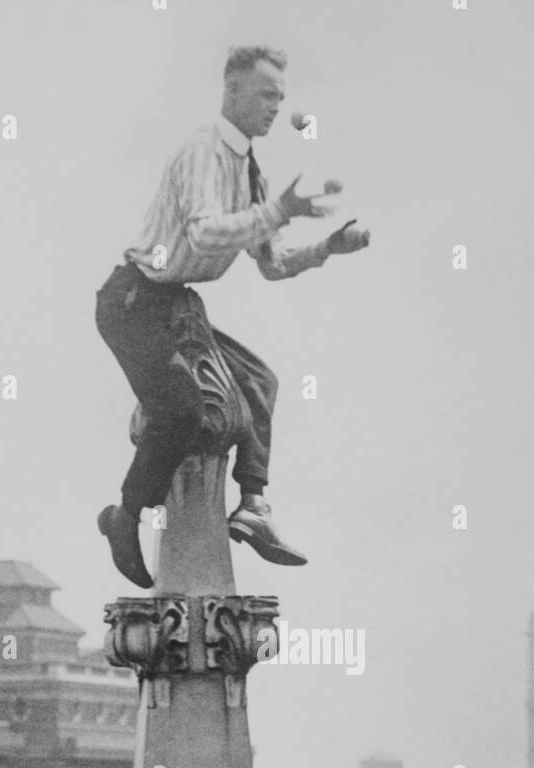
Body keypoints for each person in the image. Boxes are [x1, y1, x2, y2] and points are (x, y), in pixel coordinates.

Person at [96, 45, 370, 587]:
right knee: (181, 412)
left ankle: (253, 506)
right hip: (133, 302)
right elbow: (202, 231)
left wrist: (325, 249)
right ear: (233, 91)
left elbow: (272, 262)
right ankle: (125, 516)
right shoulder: (203, 152)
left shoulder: (251, 172)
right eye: (267, 94)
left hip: (177, 303)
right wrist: (276, 211)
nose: (275, 106)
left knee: (260, 382)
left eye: (281, 98)